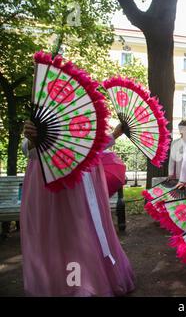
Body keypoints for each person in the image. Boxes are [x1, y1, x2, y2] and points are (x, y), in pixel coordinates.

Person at [20, 120, 135, 296]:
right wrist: (33, 140)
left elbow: (92, 143)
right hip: (53, 191)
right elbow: (33, 153)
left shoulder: (81, 113)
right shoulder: (45, 112)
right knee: (60, 236)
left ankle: (80, 284)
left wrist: (115, 134)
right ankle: (68, 283)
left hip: (80, 189)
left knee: (83, 233)